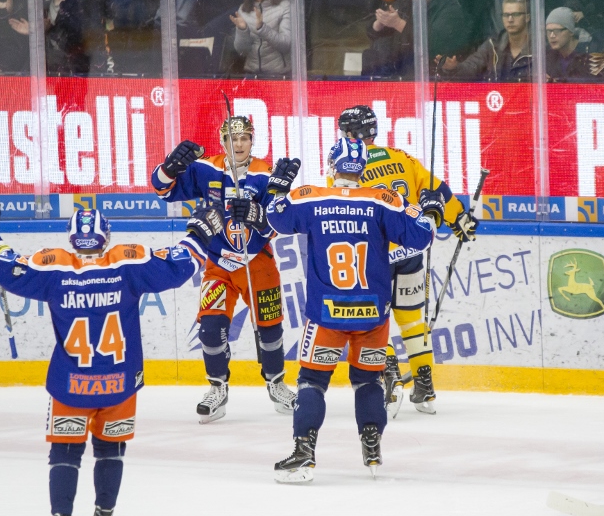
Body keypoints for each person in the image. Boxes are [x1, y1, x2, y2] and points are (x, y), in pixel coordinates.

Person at [0, 200, 223, 516]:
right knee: (110, 450)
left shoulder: (53, 271)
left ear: (71, 238)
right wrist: (198, 234)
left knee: (65, 452)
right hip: (119, 384)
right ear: (107, 236)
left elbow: (3, 267)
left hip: (72, 386)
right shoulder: (127, 265)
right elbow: (179, 265)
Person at [258, 137, 443, 483]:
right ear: (362, 171)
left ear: (332, 166)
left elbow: (276, 219)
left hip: (327, 315)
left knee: (312, 381)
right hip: (372, 316)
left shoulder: (311, 197)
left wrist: (277, 187)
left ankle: (304, 454)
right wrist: (431, 211)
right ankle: (372, 445)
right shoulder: (383, 199)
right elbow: (422, 237)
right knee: (367, 380)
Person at [151, 117, 297, 423]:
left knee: (270, 331)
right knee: (210, 330)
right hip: (219, 263)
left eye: (245, 138)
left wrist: (258, 214)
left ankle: (277, 383)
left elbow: (279, 224)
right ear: (223, 142)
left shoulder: (265, 173)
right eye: (233, 138)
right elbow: (162, 190)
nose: (239, 144)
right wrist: (169, 167)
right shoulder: (207, 168)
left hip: (258, 263)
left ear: (252, 141)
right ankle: (218, 389)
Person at [335, 105, 478, 416]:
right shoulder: (402, 157)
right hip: (412, 251)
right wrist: (459, 220)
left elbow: (339, 206)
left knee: (373, 320)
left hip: (375, 256)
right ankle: (425, 388)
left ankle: (389, 376)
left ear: (347, 134)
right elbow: (437, 190)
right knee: (412, 320)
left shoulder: (345, 165)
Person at [363, 0, 472, 78]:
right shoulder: (406, 2)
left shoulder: (451, 9)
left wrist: (398, 24)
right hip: (401, 72)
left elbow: (434, 45)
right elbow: (373, 33)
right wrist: (379, 23)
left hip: (433, 77)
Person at [437, 0, 531, 81]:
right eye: (506, 15)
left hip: (528, 98)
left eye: (515, 14)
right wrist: (454, 69)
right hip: (496, 97)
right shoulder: (492, 46)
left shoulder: (540, 49)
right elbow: (471, 66)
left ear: (527, 17)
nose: (510, 19)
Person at [231, 0, 291, 75]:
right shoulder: (243, 9)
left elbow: (286, 45)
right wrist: (242, 30)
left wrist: (262, 28)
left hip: (279, 76)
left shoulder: (285, 6)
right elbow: (242, 51)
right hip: (251, 73)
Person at [44, 0, 89, 76]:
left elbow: (77, 34)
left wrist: (50, 29)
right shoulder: (43, 3)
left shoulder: (77, 2)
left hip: (73, 71)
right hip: (50, 70)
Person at [545, 7, 594, 81]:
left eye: (557, 30)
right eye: (549, 31)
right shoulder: (547, 56)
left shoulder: (590, 53)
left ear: (571, 31)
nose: (552, 36)